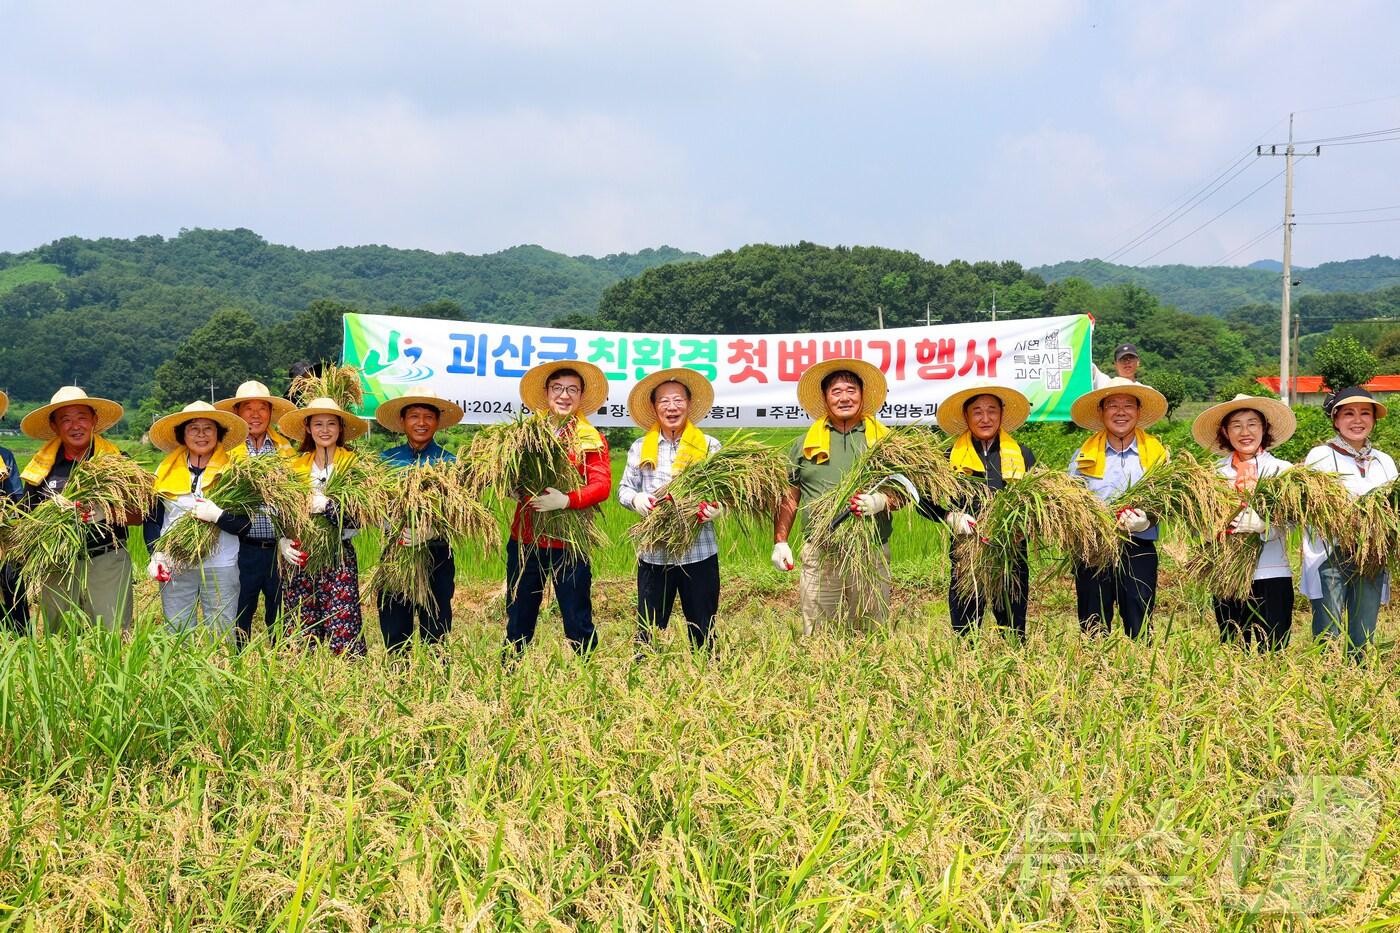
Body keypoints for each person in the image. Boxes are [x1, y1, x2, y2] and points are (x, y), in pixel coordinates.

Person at [774, 358, 906, 634]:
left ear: (862, 396)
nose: (844, 398)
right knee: (818, 633)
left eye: (851, 390)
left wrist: (881, 501)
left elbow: (904, 491)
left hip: (870, 551)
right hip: (821, 552)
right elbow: (789, 496)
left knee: (871, 632)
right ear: (825, 399)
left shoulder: (883, 442)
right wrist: (781, 541)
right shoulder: (804, 444)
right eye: (836, 391)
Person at [504, 361, 613, 656]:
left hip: (569, 543)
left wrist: (567, 499)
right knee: (518, 613)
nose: (564, 395)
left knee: (577, 615)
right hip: (526, 539)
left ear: (580, 396)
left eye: (572, 390)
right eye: (558, 388)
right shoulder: (525, 436)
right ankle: (510, 669)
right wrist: (512, 487)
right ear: (547, 392)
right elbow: (507, 473)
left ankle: (587, 670)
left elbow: (601, 485)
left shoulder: (590, 438)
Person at [618, 368, 723, 651]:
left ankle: (707, 671)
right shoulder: (640, 447)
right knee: (649, 629)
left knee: (704, 628)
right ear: (654, 407)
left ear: (689, 404)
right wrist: (636, 499)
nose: (671, 407)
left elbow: (724, 493)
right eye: (664, 401)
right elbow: (623, 489)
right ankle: (645, 672)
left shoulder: (709, 446)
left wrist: (718, 508)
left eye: (678, 400)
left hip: (700, 552)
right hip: (655, 553)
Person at [19, 386, 140, 632]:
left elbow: (139, 514)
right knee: (60, 637)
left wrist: (106, 512)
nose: (75, 426)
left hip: (106, 559)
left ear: (94, 420)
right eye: (66, 420)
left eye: (82, 417)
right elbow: (27, 520)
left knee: (113, 635)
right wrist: (51, 517)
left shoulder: (117, 461)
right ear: (54, 426)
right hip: (58, 566)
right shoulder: (41, 469)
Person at [925, 381, 1037, 638]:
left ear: (1001, 414)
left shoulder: (1021, 454)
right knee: (965, 633)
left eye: (991, 411)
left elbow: (1039, 503)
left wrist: (1023, 528)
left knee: (1013, 633)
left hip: (1011, 559)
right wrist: (950, 516)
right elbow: (922, 498)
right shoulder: (948, 456)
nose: (985, 418)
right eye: (977, 412)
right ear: (966, 416)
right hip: (966, 556)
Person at [1190, 394, 1298, 649]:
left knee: (1274, 649)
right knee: (1233, 648)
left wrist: (1265, 526)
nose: (1245, 432)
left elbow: (1295, 520)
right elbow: (1196, 521)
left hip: (1272, 572)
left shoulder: (1282, 471)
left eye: (1252, 424)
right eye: (1236, 425)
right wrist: (1209, 529)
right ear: (1225, 432)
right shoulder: (1211, 474)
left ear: (1264, 428)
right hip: (1227, 573)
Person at [1067, 377, 1170, 638]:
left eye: (1128, 405)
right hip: (1093, 548)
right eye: (1113, 405)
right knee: (1093, 621)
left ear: (1138, 411)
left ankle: (1141, 662)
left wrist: (1147, 520)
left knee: (1139, 620)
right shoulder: (1082, 456)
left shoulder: (1157, 455)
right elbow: (1069, 502)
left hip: (1138, 546)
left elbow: (1169, 501)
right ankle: (1094, 663)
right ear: (1101, 412)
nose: (1120, 412)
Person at [144, 401, 251, 640]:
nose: (201, 435)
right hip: (176, 563)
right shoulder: (164, 471)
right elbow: (151, 518)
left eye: (208, 428)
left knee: (221, 634)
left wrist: (218, 516)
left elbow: (245, 525)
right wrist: (156, 554)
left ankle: (221, 665)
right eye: (193, 428)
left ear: (218, 433)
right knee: (177, 633)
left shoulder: (234, 473)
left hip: (221, 564)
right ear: (182, 434)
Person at [1301, 387, 1397, 655]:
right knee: (1328, 629)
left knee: (1363, 630)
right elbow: (1312, 505)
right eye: (1348, 414)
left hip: (1372, 555)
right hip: (1331, 554)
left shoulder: (1384, 461)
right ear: (1335, 420)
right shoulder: (1320, 456)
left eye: (1365, 413)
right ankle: (1326, 672)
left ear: (1374, 420)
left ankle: (1359, 672)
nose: (1357, 420)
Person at [276, 395, 371, 656]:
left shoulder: (353, 465)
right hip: (301, 555)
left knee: (343, 625)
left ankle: (345, 675)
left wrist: (328, 507)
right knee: (301, 626)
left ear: (340, 428)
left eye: (331, 423)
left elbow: (362, 516)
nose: (325, 430)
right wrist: (283, 540)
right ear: (308, 428)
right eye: (318, 424)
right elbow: (284, 511)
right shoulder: (295, 467)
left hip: (338, 555)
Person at [373, 390, 465, 653]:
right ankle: (397, 674)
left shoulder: (449, 463)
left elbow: (460, 513)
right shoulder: (385, 461)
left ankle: (434, 675)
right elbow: (372, 504)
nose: (421, 423)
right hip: (396, 552)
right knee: (394, 626)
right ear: (403, 421)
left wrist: (432, 530)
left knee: (436, 627)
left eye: (428, 417)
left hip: (437, 553)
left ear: (437, 422)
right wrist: (389, 522)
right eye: (414, 416)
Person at [215, 380, 296, 645]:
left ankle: (280, 661)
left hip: (278, 549)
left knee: (280, 612)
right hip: (241, 547)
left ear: (270, 413)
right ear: (237, 412)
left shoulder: (284, 450)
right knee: (240, 610)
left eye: (262, 408)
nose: (255, 415)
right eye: (248, 408)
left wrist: (288, 535)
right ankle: (237, 661)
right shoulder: (226, 450)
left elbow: (296, 495)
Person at [0, 391, 26, 634]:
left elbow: (16, 498)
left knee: (12, 581)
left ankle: (21, 636)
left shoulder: (5, 456)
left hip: (4, 536)